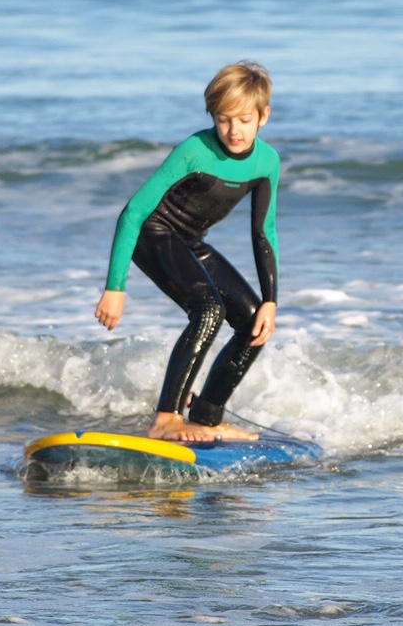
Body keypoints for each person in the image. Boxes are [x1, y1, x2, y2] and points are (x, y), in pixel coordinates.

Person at [94, 61, 280, 440]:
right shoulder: (194, 150)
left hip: (190, 241)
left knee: (251, 324)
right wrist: (115, 287)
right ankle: (166, 417)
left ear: (263, 116)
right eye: (223, 119)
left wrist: (271, 300)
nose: (233, 131)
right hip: (153, 233)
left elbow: (264, 232)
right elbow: (133, 213)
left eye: (244, 120)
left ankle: (206, 417)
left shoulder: (267, 162)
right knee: (208, 309)